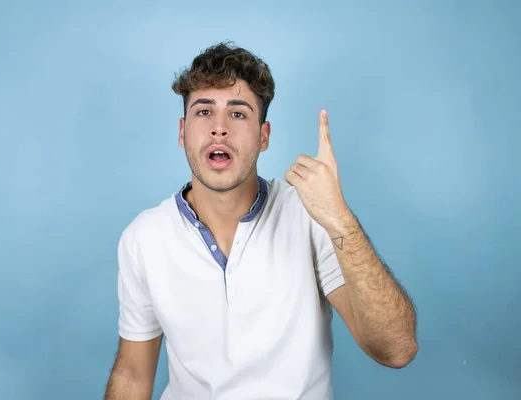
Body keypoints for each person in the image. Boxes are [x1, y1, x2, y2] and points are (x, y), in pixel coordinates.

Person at [104, 41, 418, 400]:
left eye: (238, 114)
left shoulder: (309, 217)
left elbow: (396, 350)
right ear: (181, 131)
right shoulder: (144, 237)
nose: (219, 128)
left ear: (264, 136)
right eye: (204, 112)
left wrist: (339, 219)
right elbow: (131, 374)